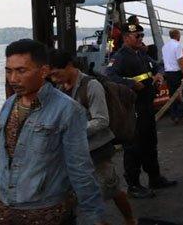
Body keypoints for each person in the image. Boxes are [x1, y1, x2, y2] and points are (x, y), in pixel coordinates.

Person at [0, 39, 105, 224]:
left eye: (21, 71)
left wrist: (92, 216)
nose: (13, 79)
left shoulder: (67, 110)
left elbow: (80, 168)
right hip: (7, 208)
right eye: (9, 71)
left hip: (46, 212)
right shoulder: (8, 105)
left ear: (44, 71)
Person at [48, 50, 137, 225]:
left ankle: (130, 220)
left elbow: (102, 120)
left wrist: (73, 130)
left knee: (111, 189)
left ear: (68, 66)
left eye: (56, 74)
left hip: (97, 150)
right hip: (75, 152)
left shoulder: (91, 85)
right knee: (87, 196)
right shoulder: (60, 88)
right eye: (50, 75)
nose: (53, 79)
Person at [107, 23, 177, 199]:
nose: (140, 39)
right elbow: (110, 77)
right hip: (133, 109)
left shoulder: (141, 54)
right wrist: (130, 84)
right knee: (134, 148)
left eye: (141, 35)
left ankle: (155, 178)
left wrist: (160, 74)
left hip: (147, 107)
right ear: (126, 38)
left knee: (150, 143)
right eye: (137, 36)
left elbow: (158, 65)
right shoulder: (120, 57)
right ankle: (133, 185)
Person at [162, 29, 183, 125]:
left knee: (172, 95)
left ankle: (174, 116)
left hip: (168, 73)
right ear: (177, 35)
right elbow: (180, 62)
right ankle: (180, 116)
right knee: (182, 94)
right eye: (179, 34)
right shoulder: (177, 45)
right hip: (176, 73)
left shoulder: (164, 46)